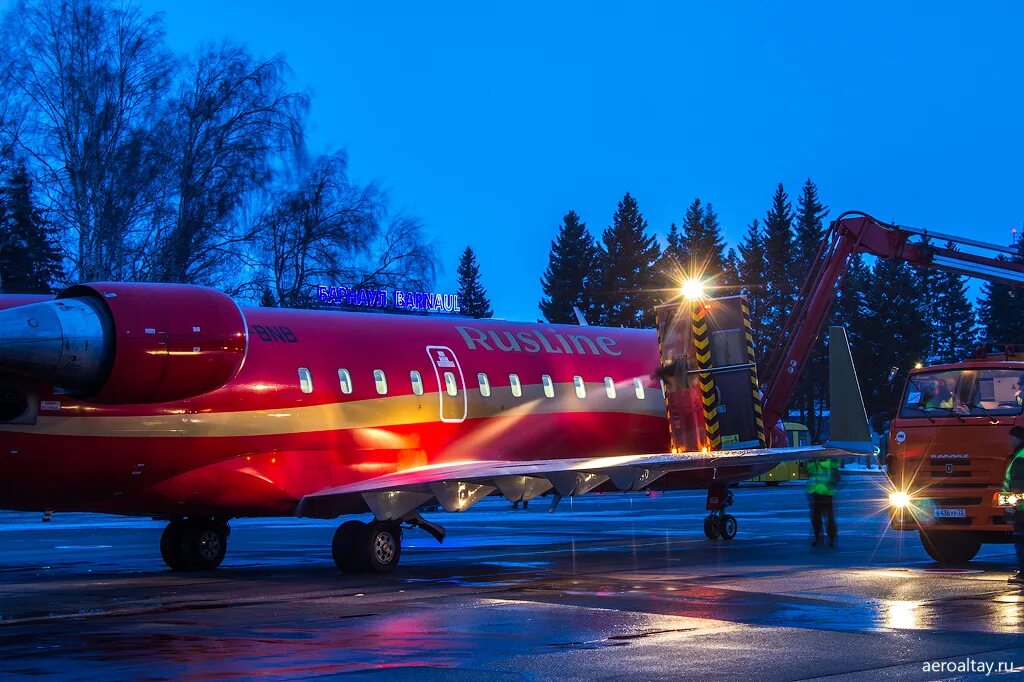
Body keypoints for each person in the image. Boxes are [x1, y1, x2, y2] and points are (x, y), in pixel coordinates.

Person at [1005, 416, 1024, 584]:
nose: (1009, 442)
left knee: (1020, 539)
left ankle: (1023, 573)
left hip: (1021, 510)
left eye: (1011, 438)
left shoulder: (1019, 458)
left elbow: (1017, 486)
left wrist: (1012, 507)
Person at [806, 457, 840, 547]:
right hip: (815, 494)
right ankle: (817, 538)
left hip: (827, 493)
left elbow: (836, 475)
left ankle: (831, 539)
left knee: (829, 518)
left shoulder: (830, 461)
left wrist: (831, 484)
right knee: (816, 519)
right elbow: (810, 475)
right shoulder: (811, 461)